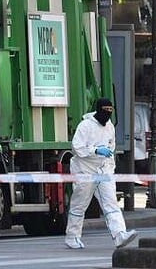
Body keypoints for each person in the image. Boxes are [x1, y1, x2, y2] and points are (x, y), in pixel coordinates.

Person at [65, 97, 138, 249]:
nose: (108, 114)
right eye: (105, 110)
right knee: (80, 204)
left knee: (111, 203)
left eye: (110, 111)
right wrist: (95, 150)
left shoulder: (109, 126)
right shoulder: (85, 126)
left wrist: (109, 164)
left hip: (104, 170)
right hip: (85, 170)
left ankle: (119, 235)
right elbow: (76, 147)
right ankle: (72, 236)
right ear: (98, 110)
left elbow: (111, 145)